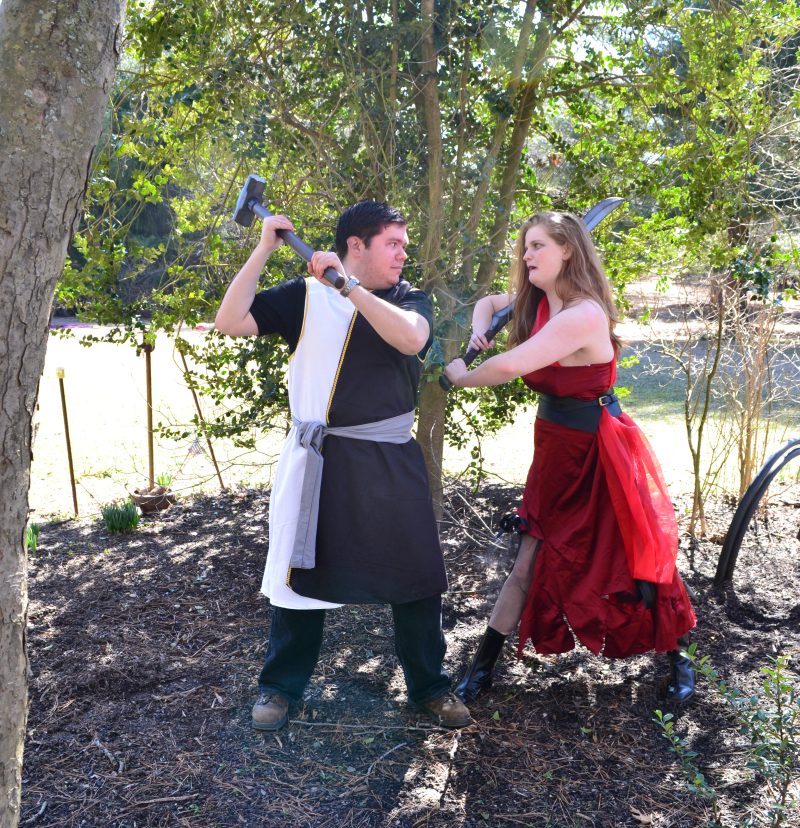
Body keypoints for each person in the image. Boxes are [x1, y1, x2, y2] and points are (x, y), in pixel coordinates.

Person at [215, 200, 473, 731]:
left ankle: (430, 687)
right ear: (357, 245)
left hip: (389, 458)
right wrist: (263, 249)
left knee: (416, 575)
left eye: (403, 244)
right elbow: (229, 321)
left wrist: (347, 287)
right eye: (392, 244)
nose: (403, 254)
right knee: (299, 573)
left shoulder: (407, 299)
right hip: (321, 461)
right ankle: (280, 687)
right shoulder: (306, 297)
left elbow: (412, 338)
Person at [444, 210, 697, 706]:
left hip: (599, 448)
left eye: (537, 245)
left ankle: (680, 655)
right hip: (556, 451)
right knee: (529, 557)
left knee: (637, 554)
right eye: (525, 246)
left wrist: (462, 376)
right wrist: (480, 331)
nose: (526, 255)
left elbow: (511, 365)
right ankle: (482, 670)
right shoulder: (538, 299)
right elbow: (487, 303)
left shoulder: (583, 314)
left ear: (566, 250)